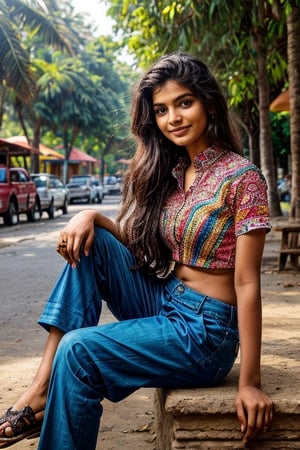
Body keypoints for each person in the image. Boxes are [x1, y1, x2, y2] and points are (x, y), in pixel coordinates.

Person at [0, 52, 273, 449]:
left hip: (204, 333)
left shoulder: (242, 178)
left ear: (209, 103)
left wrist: (249, 381)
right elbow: (136, 240)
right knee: (91, 246)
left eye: (184, 103)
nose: (173, 118)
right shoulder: (178, 172)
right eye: (161, 110)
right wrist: (90, 216)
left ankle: (49, 401)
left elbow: (247, 283)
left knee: (79, 352)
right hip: (165, 300)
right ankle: (41, 386)